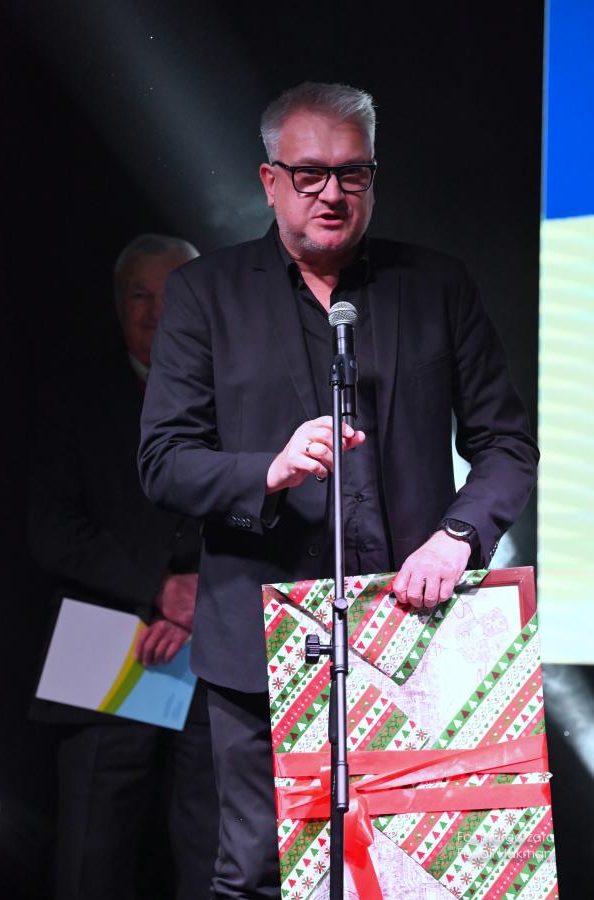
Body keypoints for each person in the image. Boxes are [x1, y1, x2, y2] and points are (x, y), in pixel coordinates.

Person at [138, 83, 539, 898]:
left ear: (373, 178)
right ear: (270, 181)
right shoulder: (206, 293)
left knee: (415, 875)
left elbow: (505, 445)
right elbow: (164, 461)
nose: (332, 193)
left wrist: (458, 536)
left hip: (413, 632)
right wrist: (268, 470)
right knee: (256, 873)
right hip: (263, 645)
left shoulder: (437, 284)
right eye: (310, 174)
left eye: (352, 173)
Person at [28, 234, 219, 900]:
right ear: (117, 304)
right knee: (93, 861)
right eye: (140, 295)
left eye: (173, 295)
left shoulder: (239, 397)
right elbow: (50, 531)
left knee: (214, 861)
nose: (156, 312)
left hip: (213, 646)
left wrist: (201, 600)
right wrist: (159, 588)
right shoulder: (71, 399)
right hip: (104, 642)